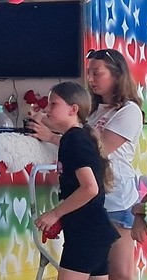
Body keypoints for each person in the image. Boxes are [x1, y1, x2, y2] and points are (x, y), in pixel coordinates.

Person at [29, 48, 142, 280]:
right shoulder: (94, 110)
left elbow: (99, 150)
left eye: (97, 73)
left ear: (117, 75)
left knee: (121, 274)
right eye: (89, 73)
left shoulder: (129, 111)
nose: (90, 79)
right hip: (91, 204)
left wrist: (52, 136)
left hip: (116, 198)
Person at [34, 81, 119, 279]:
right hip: (92, 230)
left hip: (86, 232)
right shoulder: (76, 137)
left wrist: (54, 214)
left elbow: (90, 188)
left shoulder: (73, 140)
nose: (47, 109)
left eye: (53, 104)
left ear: (73, 109)